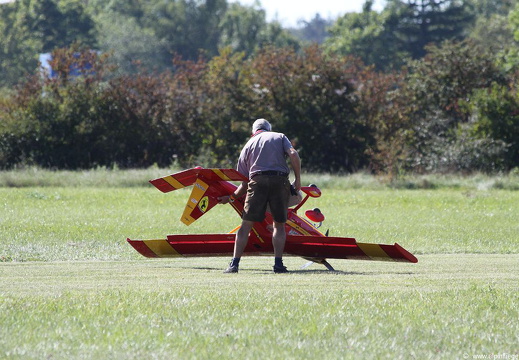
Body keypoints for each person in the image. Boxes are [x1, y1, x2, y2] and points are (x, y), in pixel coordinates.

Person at [218, 118, 301, 273]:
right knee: (279, 225)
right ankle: (278, 265)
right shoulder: (280, 136)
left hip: (257, 181)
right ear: (268, 129)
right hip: (280, 181)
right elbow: (293, 154)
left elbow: (244, 183)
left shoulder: (247, 146)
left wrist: (230, 198)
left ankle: (234, 265)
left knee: (245, 226)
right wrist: (298, 180)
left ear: (253, 132)